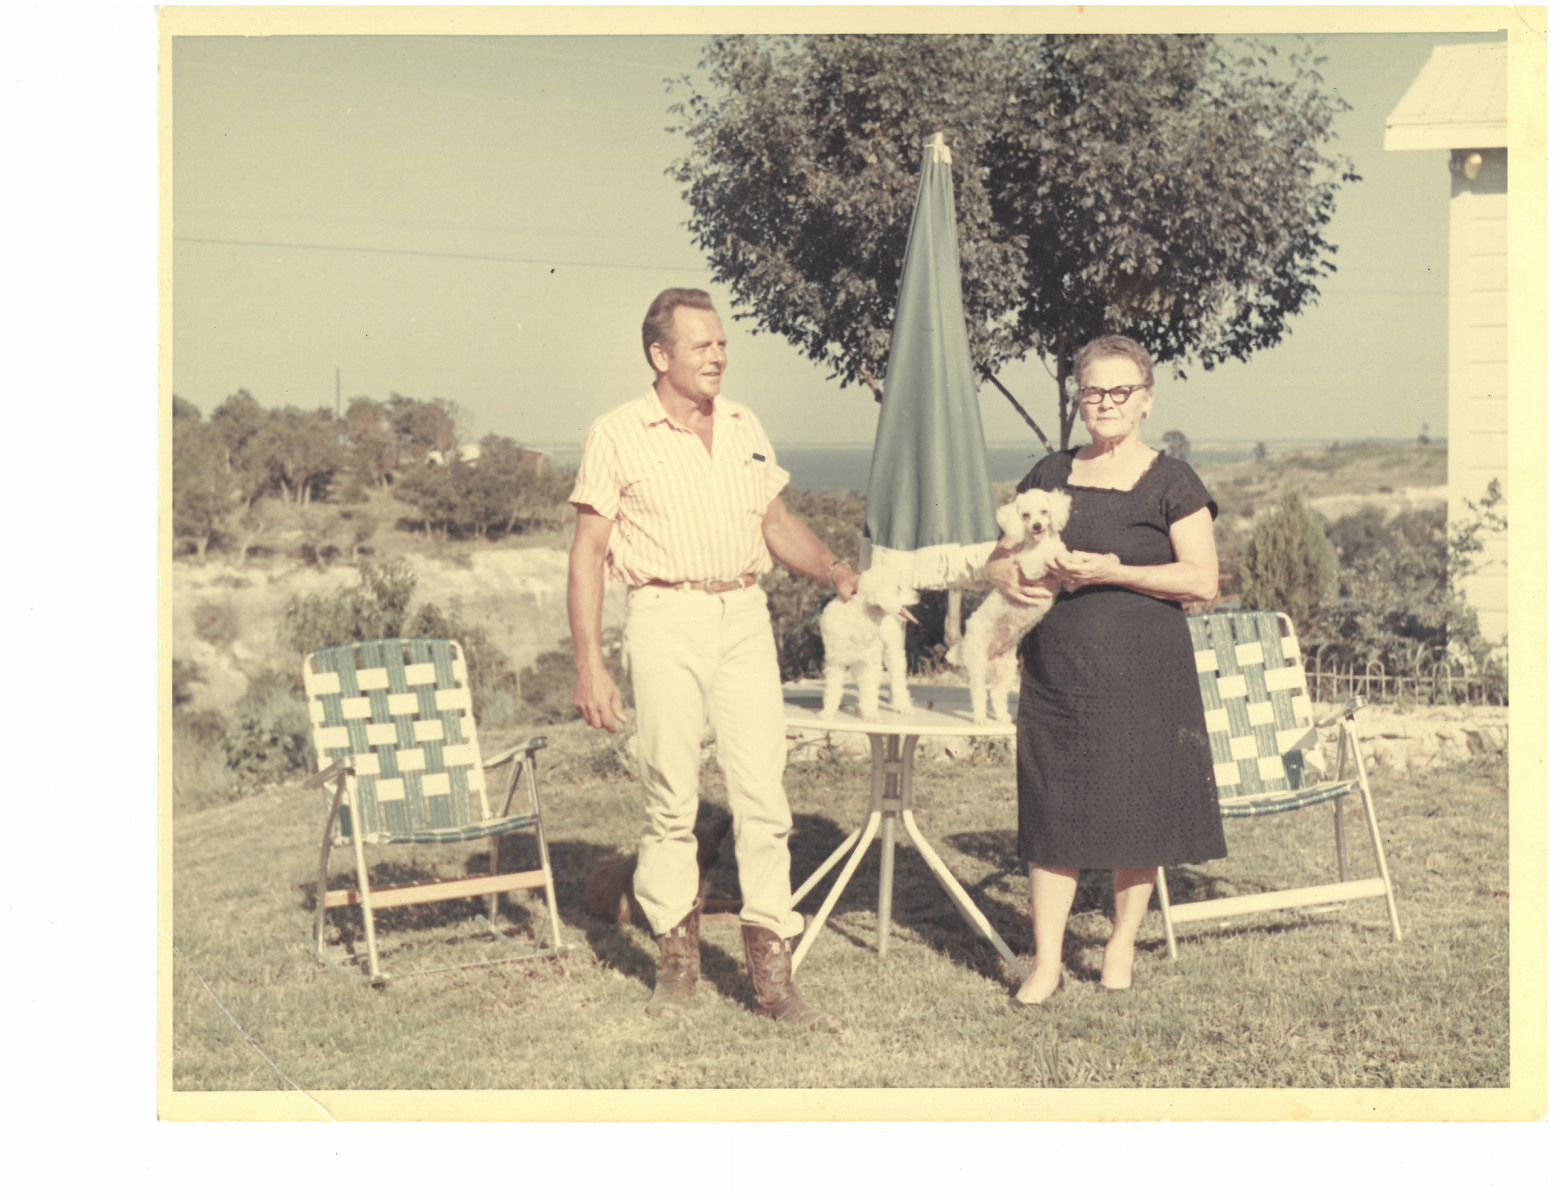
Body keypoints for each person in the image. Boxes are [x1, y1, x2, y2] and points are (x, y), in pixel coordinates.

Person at [567, 287, 860, 1029]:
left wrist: (832, 569)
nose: (717, 357)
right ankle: (676, 963)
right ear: (659, 356)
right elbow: (588, 553)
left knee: (764, 796)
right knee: (671, 795)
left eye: (721, 344)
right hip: (665, 615)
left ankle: (772, 978)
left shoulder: (741, 424)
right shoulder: (615, 433)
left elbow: (774, 522)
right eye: (700, 346)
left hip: (742, 616)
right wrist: (589, 666)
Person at [984, 333, 1226, 1007]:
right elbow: (997, 562)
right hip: (1056, 671)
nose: (1105, 403)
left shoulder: (1172, 481)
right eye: (1093, 391)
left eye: (1120, 391)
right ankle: (1046, 961)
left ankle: (1119, 945)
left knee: (1133, 810)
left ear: (1144, 402)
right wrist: (1016, 578)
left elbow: (1201, 580)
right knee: (1052, 812)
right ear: (1078, 400)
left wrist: (1114, 570)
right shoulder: (1047, 474)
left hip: (1143, 672)